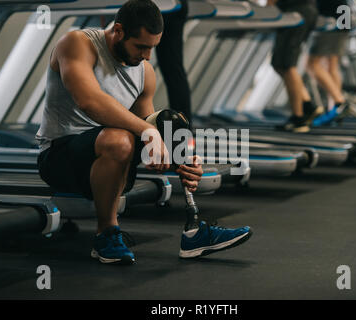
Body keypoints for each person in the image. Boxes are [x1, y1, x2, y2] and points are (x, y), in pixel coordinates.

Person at [35, 0, 251, 265]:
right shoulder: (78, 43)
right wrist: (148, 130)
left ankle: (194, 228)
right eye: (141, 46)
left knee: (171, 121)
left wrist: (181, 159)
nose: (147, 56)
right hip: (61, 162)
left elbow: (149, 126)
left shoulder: (145, 71)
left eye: (152, 48)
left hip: (115, 164)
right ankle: (107, 234)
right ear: (118, 31)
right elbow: (89, 101)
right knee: (119, 138)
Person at [268, 0, 324, 132]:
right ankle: (307, 106)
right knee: (279, 65)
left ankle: (298, 118)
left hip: (296, 14)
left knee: (287, 66)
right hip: (304, 11)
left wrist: (267, 8)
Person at [307, 0, 352, 126]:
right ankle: (335, 109)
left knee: (312, 64)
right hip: (343, 16)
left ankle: (339, 102)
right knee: (332, 66)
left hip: (332, 18)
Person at [155, 0, 193, 124]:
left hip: (167, 6)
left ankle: (182, 127)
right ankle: (183, 126)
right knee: (173, 69)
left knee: (172, 69)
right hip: (173, 6)